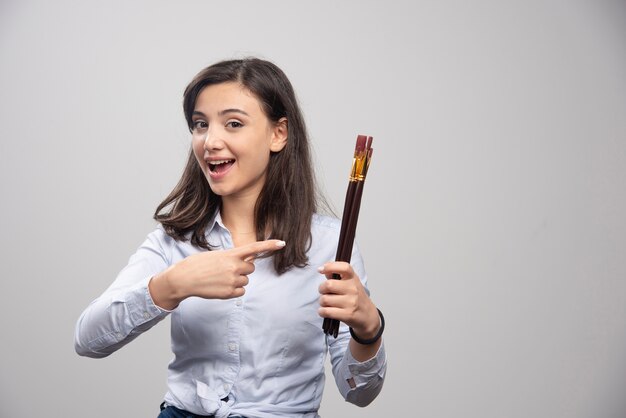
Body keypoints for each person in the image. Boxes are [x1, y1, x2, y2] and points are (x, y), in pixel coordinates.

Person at [75, 57, 387, 418]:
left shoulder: (330, 244)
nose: (210, 141)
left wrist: (369, 329)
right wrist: (173, 285)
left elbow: (359, 392)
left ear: (278, 133)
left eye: (233, 123)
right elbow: (88, 340)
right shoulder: (174, 241)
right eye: (200, 125)